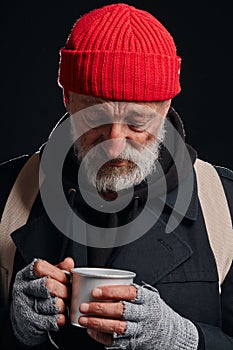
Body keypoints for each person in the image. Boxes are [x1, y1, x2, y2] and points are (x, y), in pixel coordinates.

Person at [0, 2, 233, 350]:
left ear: (166, 106)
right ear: (68, 99)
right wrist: (13, 326)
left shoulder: (225, 205)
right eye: (95, 121)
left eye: (138, 123)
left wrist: (185, 340)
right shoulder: (5, 193)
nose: (114, 147)